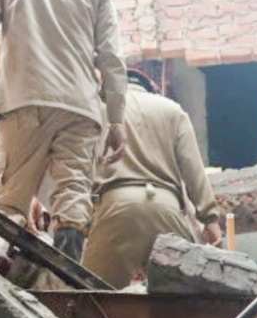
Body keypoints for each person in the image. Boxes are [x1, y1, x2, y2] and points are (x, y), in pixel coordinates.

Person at [0, 0, 127, 261]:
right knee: (73, 192)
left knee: (11, 194)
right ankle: (67, 267)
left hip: (24, 98)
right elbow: (111, 59)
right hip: (81, 107)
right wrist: (117, 120)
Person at [82, 70, 223, 289]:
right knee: (187, 302)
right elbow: (193, 169)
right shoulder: (172, 110)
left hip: (115, 208)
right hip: (167, 209)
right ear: (151, 88)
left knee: (93, 302)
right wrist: (210, 219)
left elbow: (82, 168)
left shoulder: (100, 110)